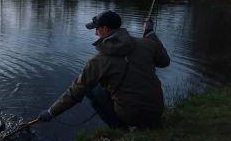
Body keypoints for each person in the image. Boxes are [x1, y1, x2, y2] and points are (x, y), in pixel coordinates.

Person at [38, 10, 170, 129]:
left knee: (91, 90)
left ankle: (120, 129)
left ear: (106, 29)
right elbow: (164, 62)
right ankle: (147, 123)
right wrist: (150, 33)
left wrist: (51, 112)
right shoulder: (147, 43)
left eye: (97, 29)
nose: (95, 33)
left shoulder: (98, 61)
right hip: (156, 112)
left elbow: (75, 92)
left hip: (131, 116)